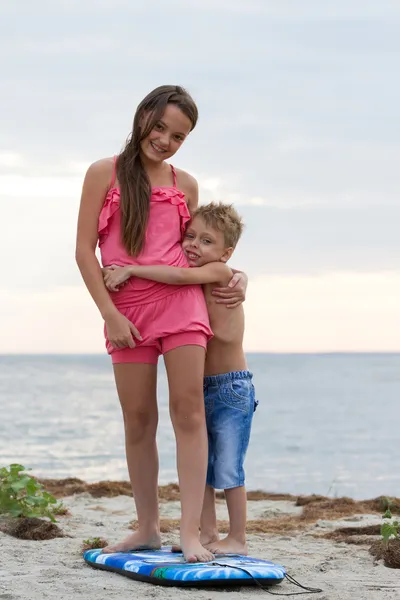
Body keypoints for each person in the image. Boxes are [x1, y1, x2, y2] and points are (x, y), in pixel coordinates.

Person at [75, 86, 247, 563]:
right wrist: (109, 314)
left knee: (189, 413)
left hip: (181, 306)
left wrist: (240, 274)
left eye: (179, 136)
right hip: (126, 312)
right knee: (138, 420)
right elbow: (83, 251)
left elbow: (204, 250)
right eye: (161, 128)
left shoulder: (185, 183)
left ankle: (190, 533)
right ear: (143, 116)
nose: (167, 140)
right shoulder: (101, 173)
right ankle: (148, 528)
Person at [103, 201, 256, 556]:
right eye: (190, 236)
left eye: (206, 241)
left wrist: (130, 270)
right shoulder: (216, 271)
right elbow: (184, 274)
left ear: (225, 252)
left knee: (229, 466)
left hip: (231, 385)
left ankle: (238, 537)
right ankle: (207, 531)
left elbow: (180, 276)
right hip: (207, 384)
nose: (192, 246)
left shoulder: (217, 272)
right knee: (204, 466)